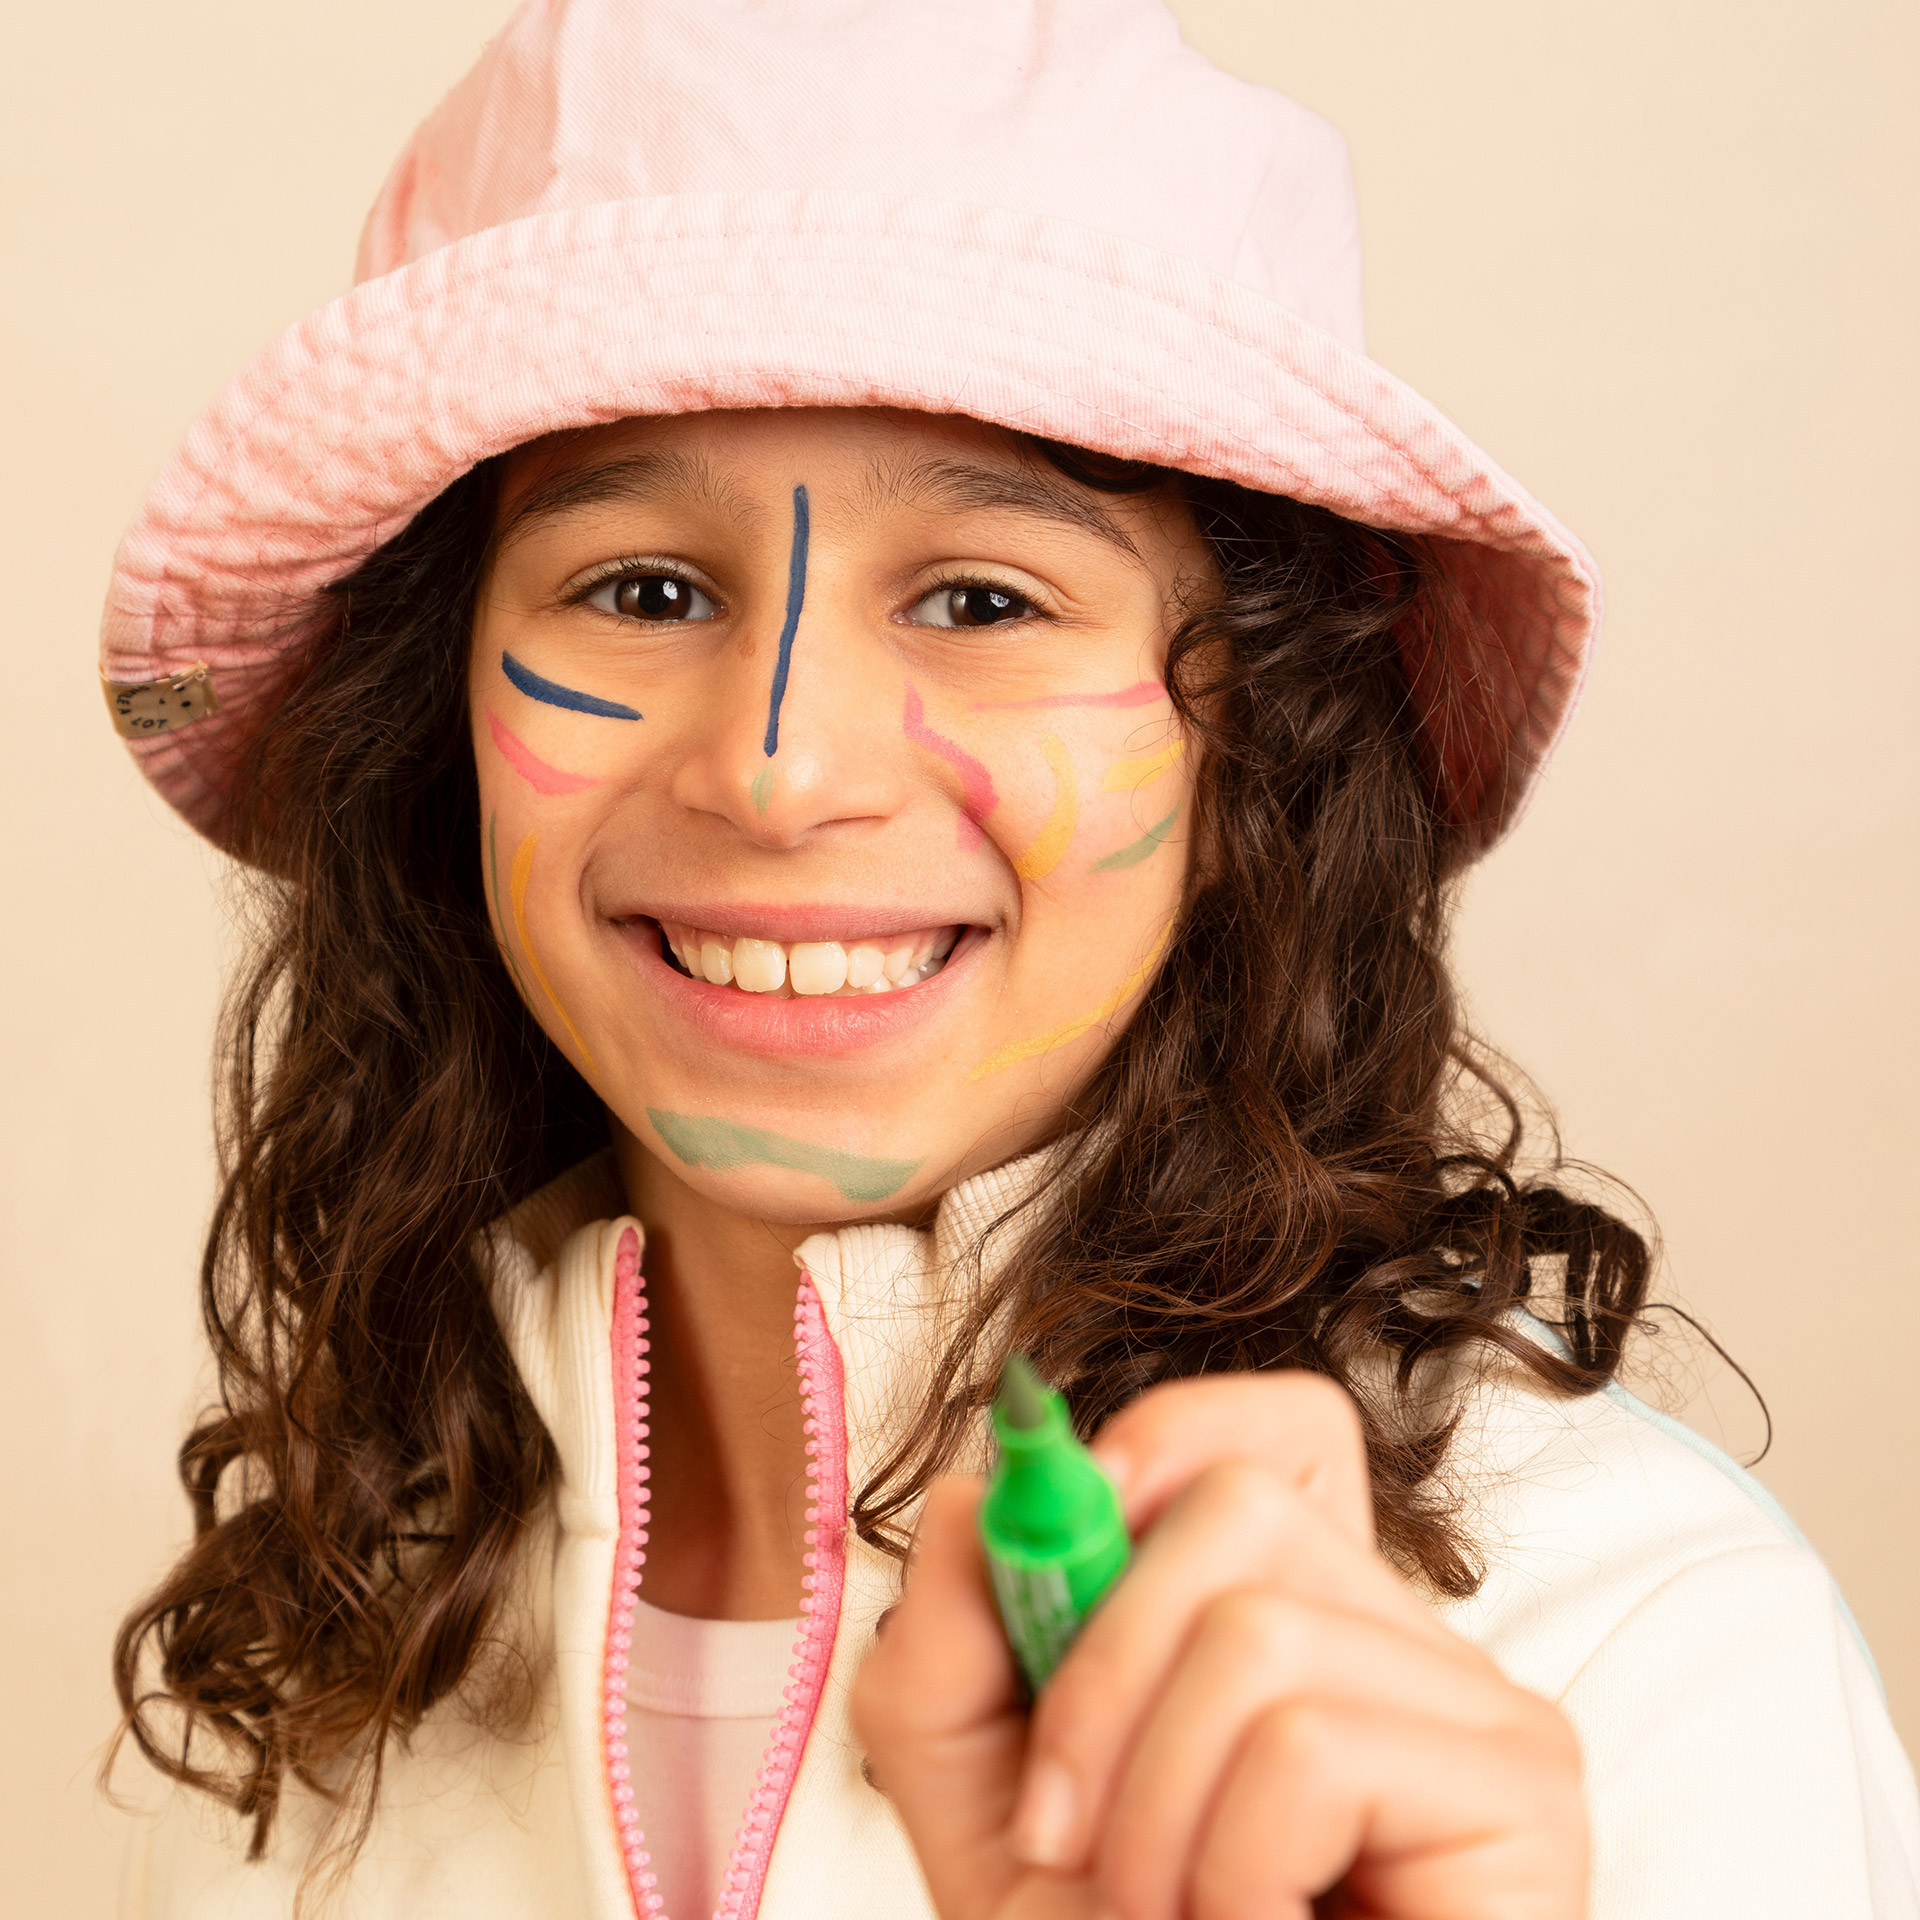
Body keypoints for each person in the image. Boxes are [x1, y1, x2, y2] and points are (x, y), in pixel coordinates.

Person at [101, 2, 1918, 1916]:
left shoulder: (1630, 1668)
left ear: (1262, 755)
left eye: (985, 598)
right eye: (641, 590)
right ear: (436, 718)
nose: (781, 773)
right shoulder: (316, 1685)